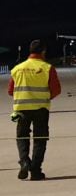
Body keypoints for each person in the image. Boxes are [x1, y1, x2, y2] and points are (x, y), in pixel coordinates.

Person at [6, 39, 61, 180]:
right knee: (40, 139)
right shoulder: (47, 68)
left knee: (22, 137)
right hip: (41, 109)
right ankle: (36, 171)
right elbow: (56, 90)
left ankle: (24, 161)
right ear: (43, 51)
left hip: (21, 109)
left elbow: (10, 91)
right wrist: (43, 97)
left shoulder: (17, 69)